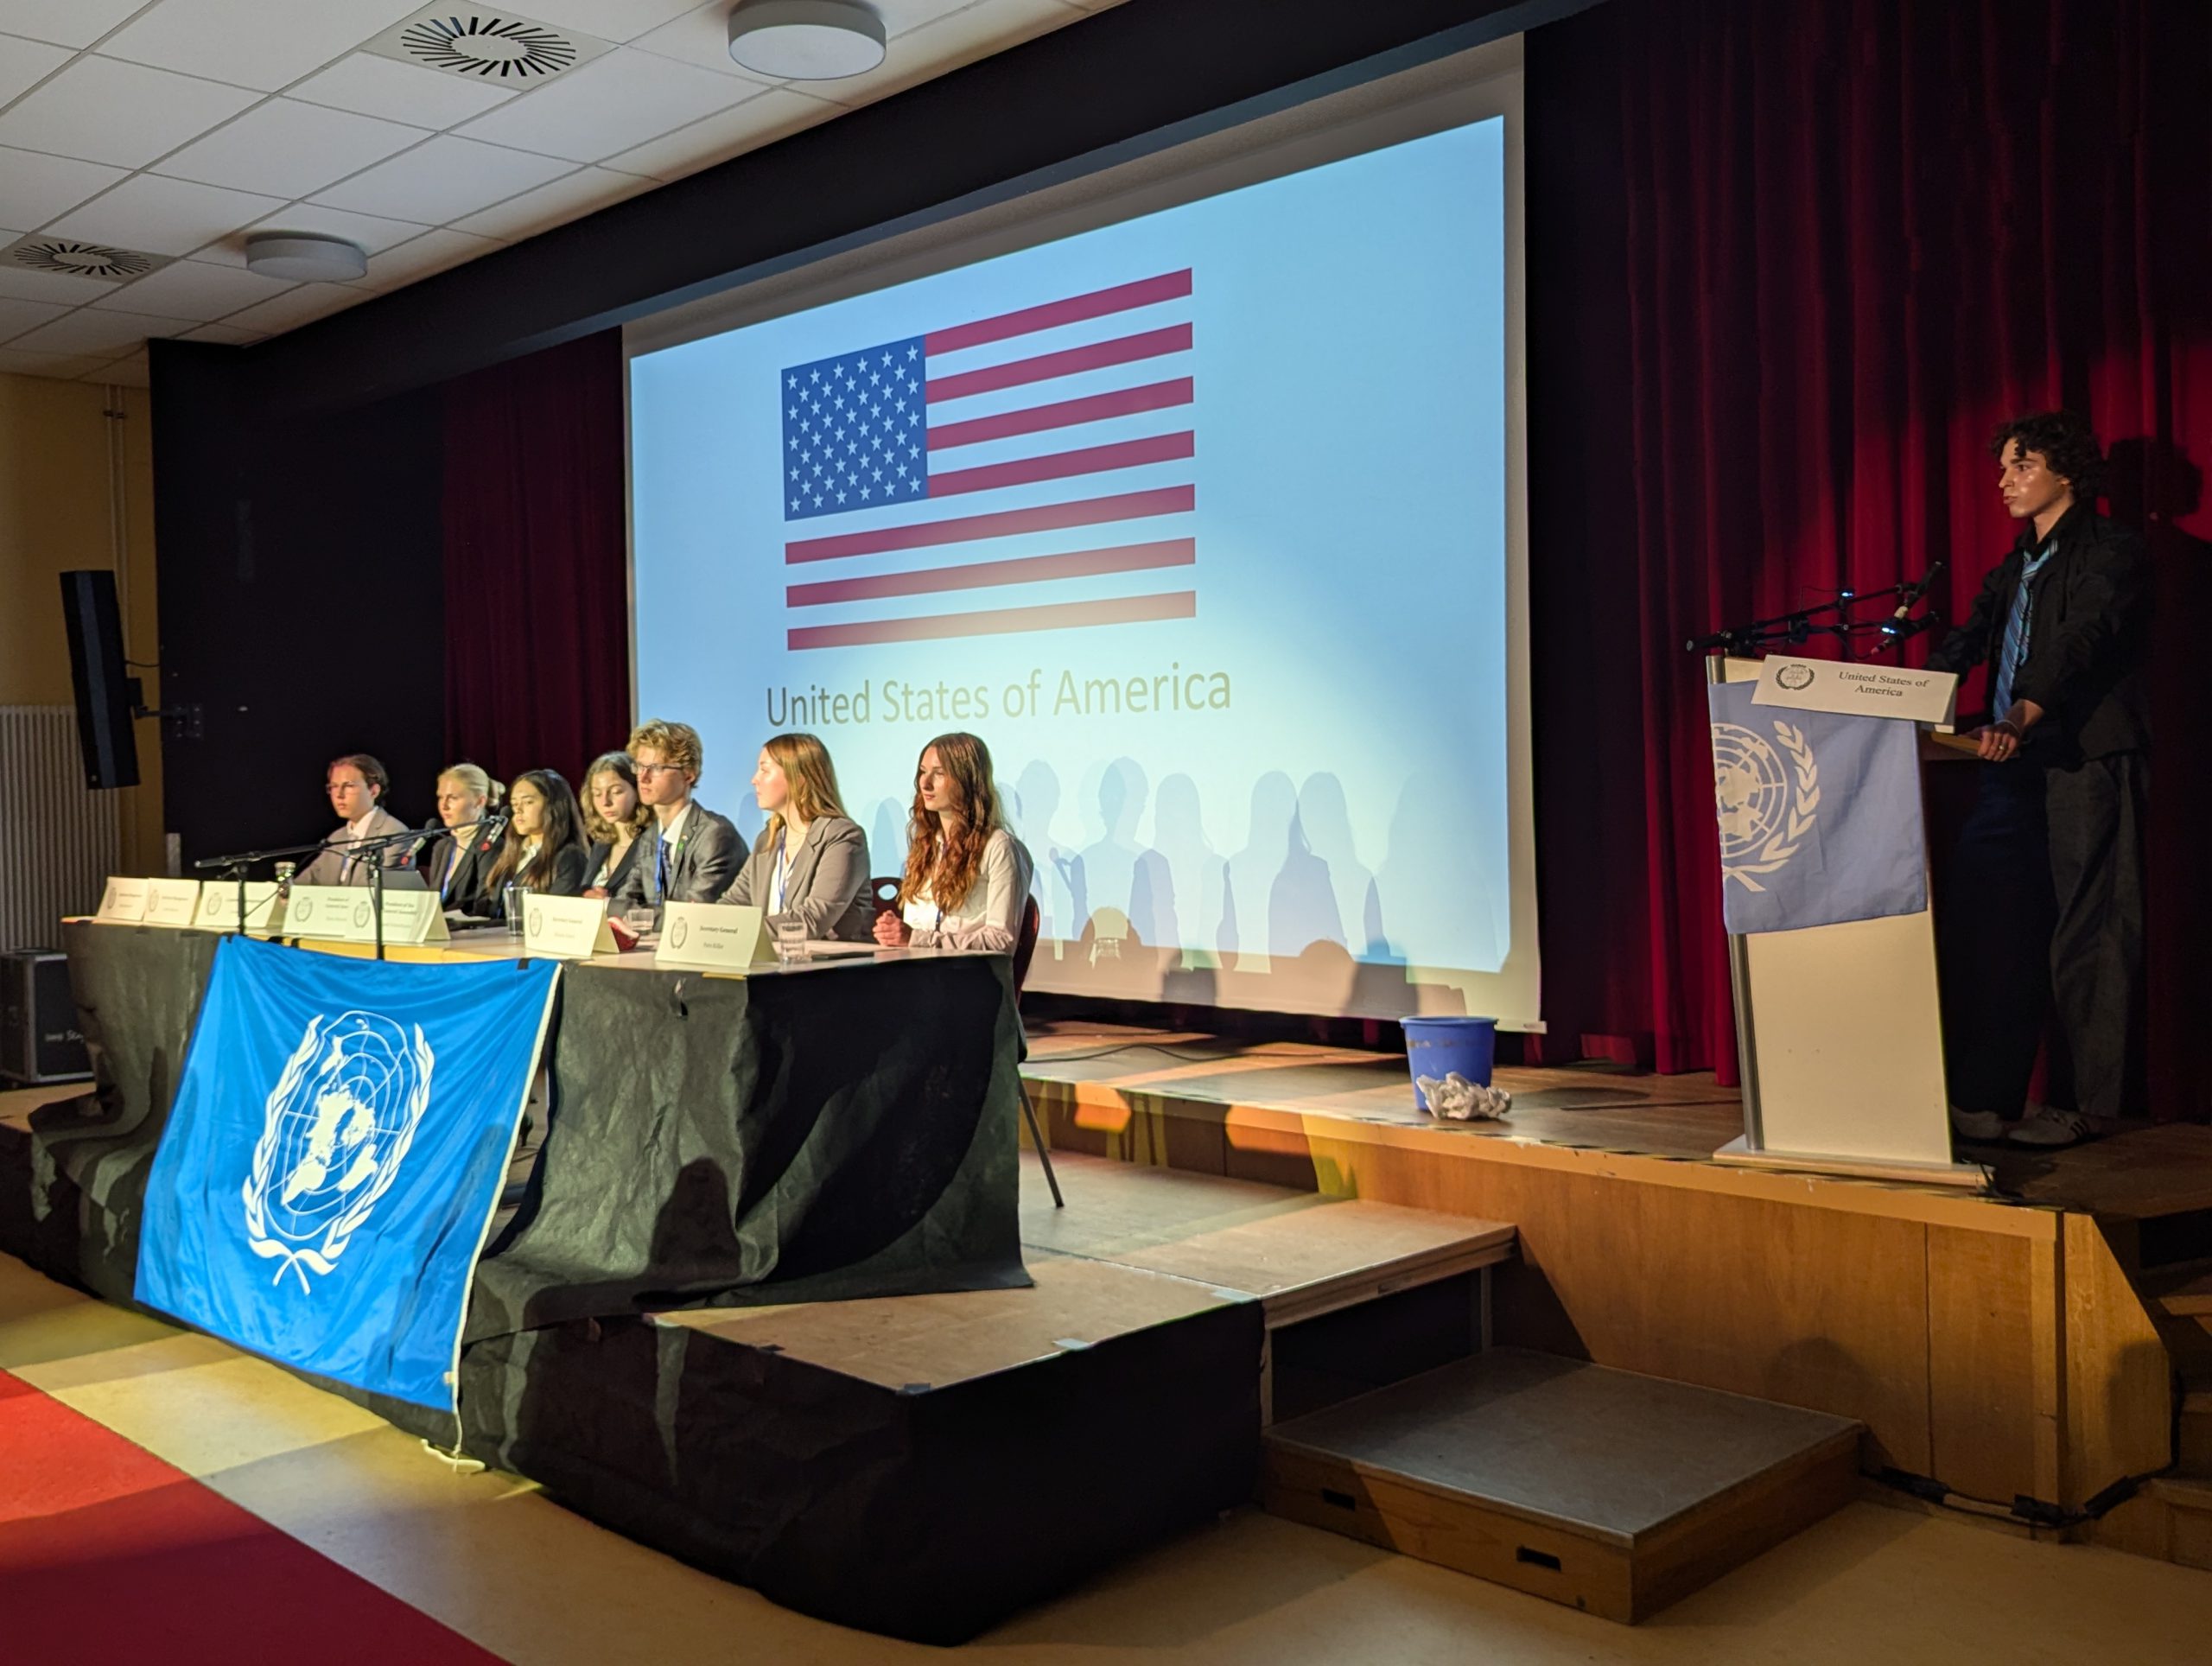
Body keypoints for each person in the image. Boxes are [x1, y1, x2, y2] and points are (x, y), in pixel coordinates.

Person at [1927, 410, 2152, 1148]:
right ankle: (1986, 1097)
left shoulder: (2112, 550)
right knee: (1996, 923)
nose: (2005, 481)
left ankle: (2086, 1105)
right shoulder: (2016, 564)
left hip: (2083, 758)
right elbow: (1967, 639)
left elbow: (2078, 642)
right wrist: (1906, 699)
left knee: (2091, 930)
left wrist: (2020, 715)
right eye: (2002, 468)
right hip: (2011, 763)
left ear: (2067, 472)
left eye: (2021, 465)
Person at [873, 732, 1035, 953]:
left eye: (939, 773)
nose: (925, 783)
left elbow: (1001, 940)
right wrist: (892, 932)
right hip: (919, 969)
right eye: (923, 772)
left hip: (969, 972)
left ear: (967, 780)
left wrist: (918, 939)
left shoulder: (1000, 847)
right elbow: (916, 931)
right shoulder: (926, 846)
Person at [721, 733, 874, 941]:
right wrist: (705, 921)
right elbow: (735, 903)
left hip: (828, 960)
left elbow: (812, 920)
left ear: (799, 779)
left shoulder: (842, 836)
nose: (754, 779)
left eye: (765, 770)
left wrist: (737, 930)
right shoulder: (767, 840)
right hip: (773, 957)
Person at [610, 720, 740, 907]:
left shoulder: (714, 835)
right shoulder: (650, 838)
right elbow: (624, 903)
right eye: (639, 766)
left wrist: (638, 916)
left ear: (688, 775)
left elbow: (689, 915)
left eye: (656, 768)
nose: (643, 777)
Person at [296, 754, 410, 887]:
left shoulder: (395, 834)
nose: (339, 795)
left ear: (373, 791)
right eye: (334, 786)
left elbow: (385, 889)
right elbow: (304, 883)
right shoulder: (336, 839)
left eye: (349, 786)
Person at [481, 768, 591, 904]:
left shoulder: (570, 857)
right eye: (514, 804)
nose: (518, 810)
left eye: (528, 802)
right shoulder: (513, 853)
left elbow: (559, 911)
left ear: (553, 806)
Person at [415, 763, 505, 911]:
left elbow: (487, 907)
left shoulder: (491, 846)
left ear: (479, 801)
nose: (444, 806)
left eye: (453, 798)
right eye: (441, 797)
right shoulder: (443, 846)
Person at [581, 752, 652, 900]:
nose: (605, 802)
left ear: (638, 791)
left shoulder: (652, 843)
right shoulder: (601, 844)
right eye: (597, 794)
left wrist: (610, 902)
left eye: (616, 792)